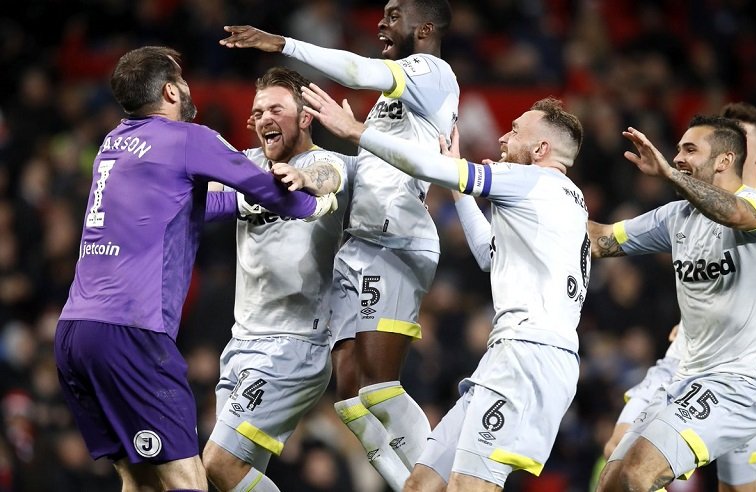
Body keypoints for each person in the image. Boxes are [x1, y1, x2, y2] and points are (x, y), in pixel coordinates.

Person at [53, 47, 336, 492]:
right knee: (188, 480)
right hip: (133, 332)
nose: (187, 88)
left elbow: (183, 206)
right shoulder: (187, 138)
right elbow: (267, 186)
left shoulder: (114, 144)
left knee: (139, 479)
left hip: (75, 332)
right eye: (181, 80)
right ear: (169, 90)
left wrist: (243, 203)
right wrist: (315, 201)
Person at [302, 83, 588, 491]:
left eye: (515, 130)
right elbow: (490, 255)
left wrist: (357, 132)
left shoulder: (529, 181)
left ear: (541, 149)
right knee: (422, 483)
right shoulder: (562, 200)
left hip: (528, 358)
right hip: (518, 355)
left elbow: (431, 169)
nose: (504, 137)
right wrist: (458, 180)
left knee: (468, 486)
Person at [219, 1, 459, 489]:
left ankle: (445, 482)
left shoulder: (430, 71)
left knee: (378, 388)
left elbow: (355, 74)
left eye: (395, 15)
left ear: (426, 27)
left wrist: (282, 43)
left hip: (395, 241)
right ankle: (409, 484)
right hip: (362, 245)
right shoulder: (395, 102)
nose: (381, 22)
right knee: (351, 399)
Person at [588, 115, 756, 491]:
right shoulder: (676, 216)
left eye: (690, 149)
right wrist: (545, 199)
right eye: (678, 149)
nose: (678, 156)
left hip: (741, 381)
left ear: (724, 160)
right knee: (613, 480)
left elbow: (735, 213)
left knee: (640, 471)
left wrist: (671, 175)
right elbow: (602, 240)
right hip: (687, 376)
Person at [200, 66, 349, 492]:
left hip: (293, 345)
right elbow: (202, 203)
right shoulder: (246, 167)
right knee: (232, 476)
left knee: (218, 463)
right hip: (242, 344)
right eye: (258, 110)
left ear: (304, 117)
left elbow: (330, 179)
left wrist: (303, 180)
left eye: (277, 108)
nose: (265, 117)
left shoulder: (324, 162)